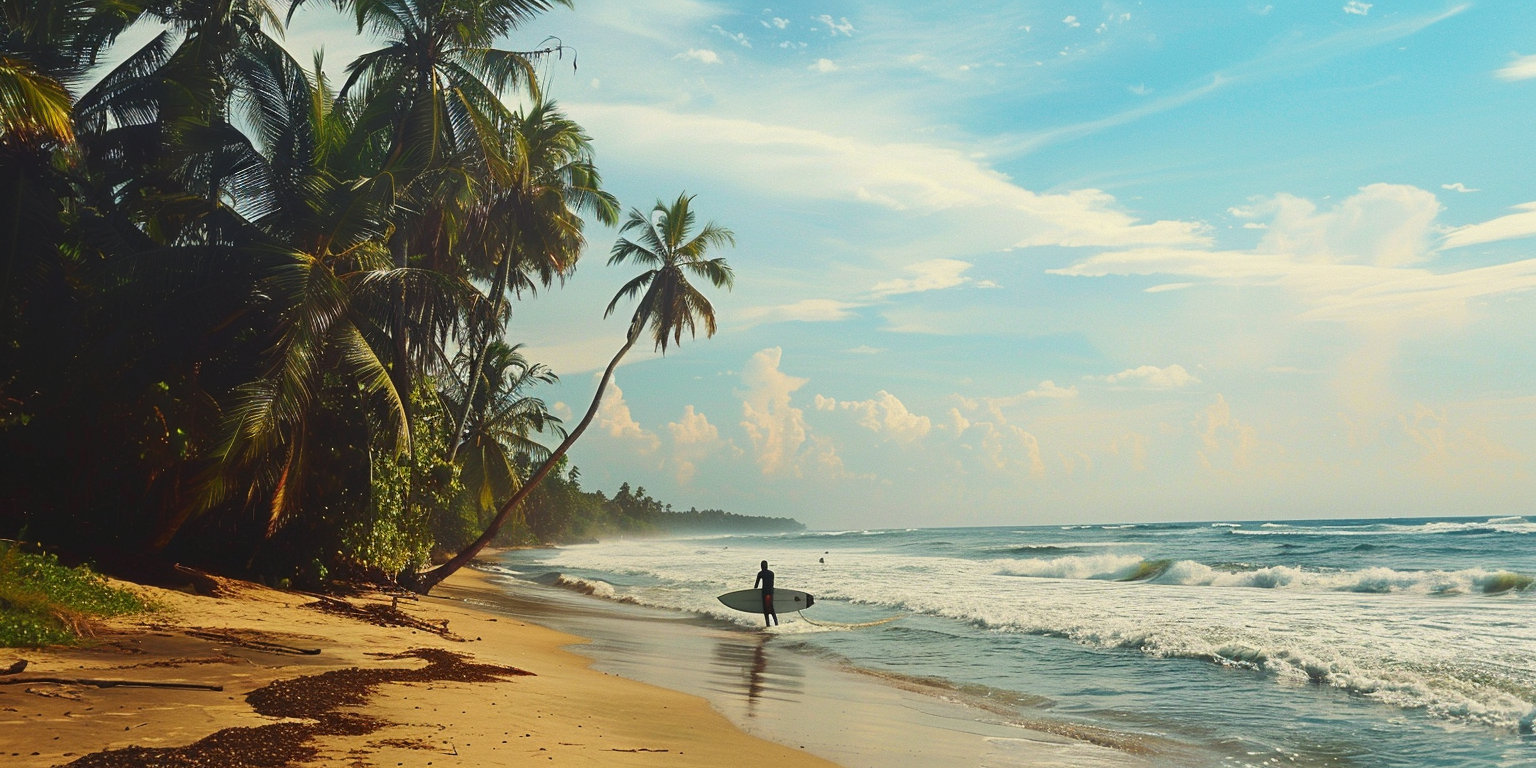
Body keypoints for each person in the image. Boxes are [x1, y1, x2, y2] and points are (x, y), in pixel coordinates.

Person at [754, 560, 778, 627]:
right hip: (770, 592)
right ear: (767, 566)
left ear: (761, 566)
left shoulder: (760, 574)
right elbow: (772, 583)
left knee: (765, 610)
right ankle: (776, 624)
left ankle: (768, 625)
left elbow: (756, 586)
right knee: (771, 608)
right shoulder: (772, 573)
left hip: (764, 592)